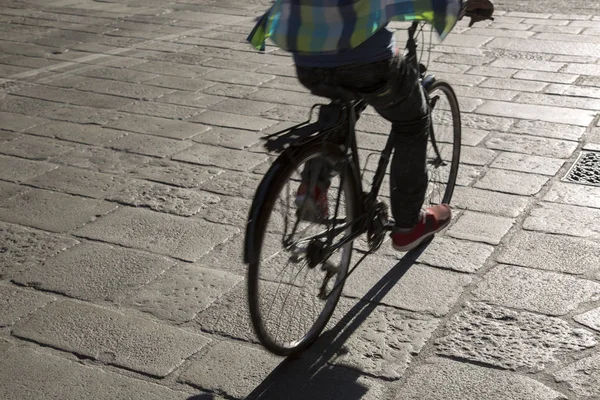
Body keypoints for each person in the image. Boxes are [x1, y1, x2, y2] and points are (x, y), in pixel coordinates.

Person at [248, 0, 494, 252]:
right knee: (412, 120)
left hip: (309, 63)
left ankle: (313, 186)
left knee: (345, 101)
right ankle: (409, 227)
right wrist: (460, 7)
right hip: (367, 62)